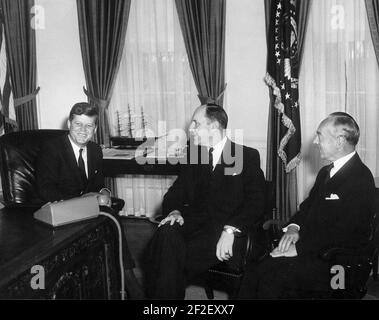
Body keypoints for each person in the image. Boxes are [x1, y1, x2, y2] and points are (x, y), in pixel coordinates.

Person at [238, 112, 376, 299]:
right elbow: (307, 208)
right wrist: (294, 227)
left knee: (272, 276)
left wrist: (299, 249)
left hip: (339, 265)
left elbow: (344, 232)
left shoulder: (360, 178)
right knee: (255, 269)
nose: (316, 142)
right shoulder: (326, 172)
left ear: (340, 141)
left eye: (320, 136)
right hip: (316, 251)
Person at [145, 103, 266, 299]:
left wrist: (230, 229)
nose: (190, 129)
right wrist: (174, 211)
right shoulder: (194, 155)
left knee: (165, 256)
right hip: (194, 225)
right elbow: (175, 193)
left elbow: (257, 202)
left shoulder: (246, 156)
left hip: (223, 231)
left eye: (196, 123)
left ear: (214, 126)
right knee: (166, 232)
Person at [35, 102, 144, 299]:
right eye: (78, 124)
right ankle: (132, 288)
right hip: (61, 211)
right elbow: (45, 189)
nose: (83, 131)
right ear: (69, 123)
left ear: (95, 129)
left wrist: (104, 193)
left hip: (86, 209)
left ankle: (118, 283)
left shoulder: (95, 150)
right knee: (112, 221)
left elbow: (98, 184)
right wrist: (82, 200)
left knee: (111, 221)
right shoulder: (52, 148)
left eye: (89, 126)